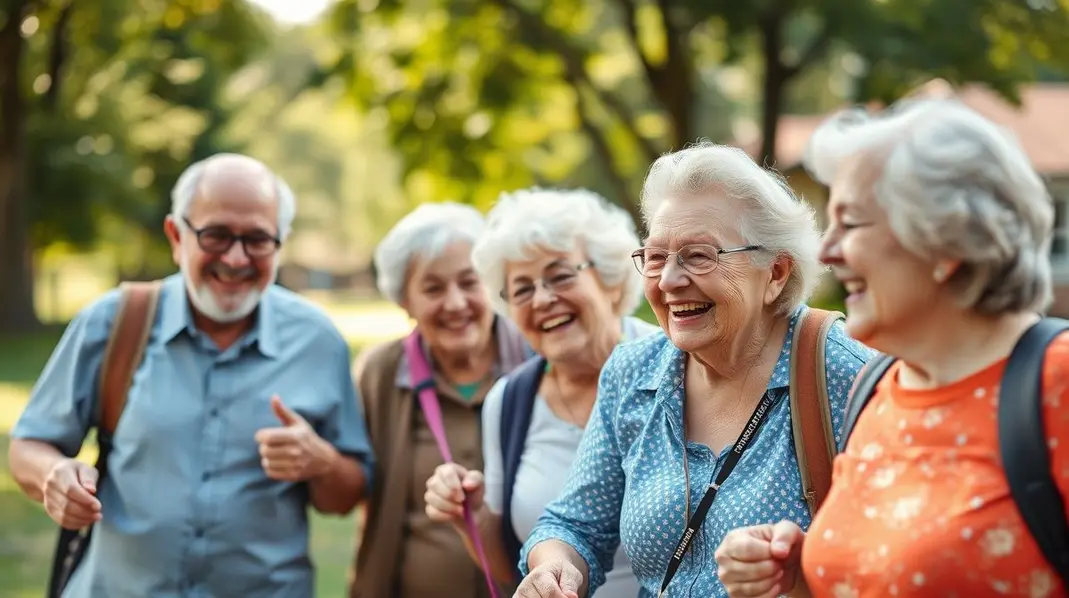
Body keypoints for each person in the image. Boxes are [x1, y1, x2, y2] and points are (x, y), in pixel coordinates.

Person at [714, 99, 1069, 598]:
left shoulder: (1057, 384)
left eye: (851, 223)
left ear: (946, 242)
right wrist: (801, 578)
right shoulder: (876, 388)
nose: (825, 251)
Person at [510, 142, 874, 598]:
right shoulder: (633, 373)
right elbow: (577, 523)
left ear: (776, 272)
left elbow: (890, 562)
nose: (668, 281)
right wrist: (556, 567)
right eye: (656, 257)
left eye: (699, 255)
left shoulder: (848, 378)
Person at [8, 153, 373, 597]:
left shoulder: (319, 342)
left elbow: (346, 495)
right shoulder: (114, 322)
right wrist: (54, 475)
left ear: (282, 242)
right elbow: (28, 446)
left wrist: (322, 462)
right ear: (176, 236)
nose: (236, 259)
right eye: (216, 235)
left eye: (258, 239)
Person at [423, 188, 657, 595]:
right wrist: (471, 515)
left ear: (612, 280)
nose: (544, 299)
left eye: (561, 275)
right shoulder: (510, 400)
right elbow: (509, 565)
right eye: (523, 289)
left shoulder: (676, 367)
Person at [349, 202, 532, 598]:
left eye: (470, 282)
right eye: (433, 288)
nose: (455, 303)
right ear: (405, 302)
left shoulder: (537, 361)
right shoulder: (380, 373)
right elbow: (352, 486)